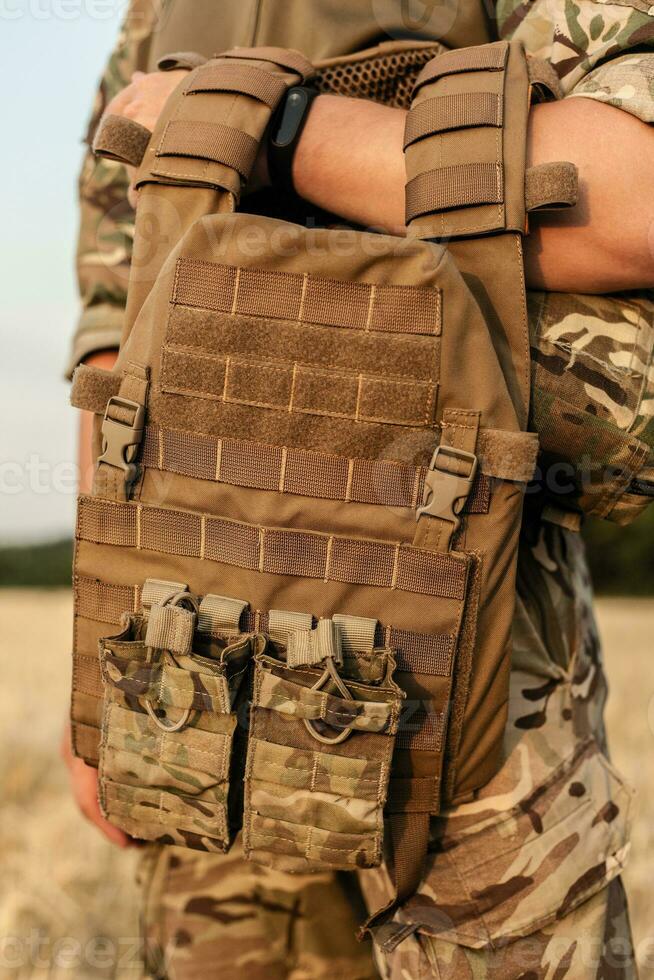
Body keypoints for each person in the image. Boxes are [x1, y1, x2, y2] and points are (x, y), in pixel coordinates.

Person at [62, 1, 654, 976]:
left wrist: (266, 128)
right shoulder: (156, 10)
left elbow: (630, 193)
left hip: (464, 648)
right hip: (183, 658)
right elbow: (116, 322)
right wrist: (94, 659)